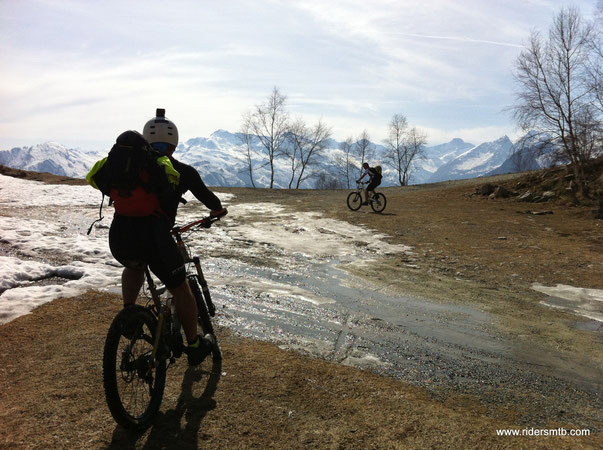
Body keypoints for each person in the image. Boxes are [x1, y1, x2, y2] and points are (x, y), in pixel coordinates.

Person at [107, 109, 227, 366]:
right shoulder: (182, 170)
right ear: (174, 143)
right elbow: (208, 197)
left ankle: (129, 315)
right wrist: (217, 211)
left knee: (134, 264)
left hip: (120, 236)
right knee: (181, 288)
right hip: (155, 238)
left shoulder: (124, 166)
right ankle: (194, 345)